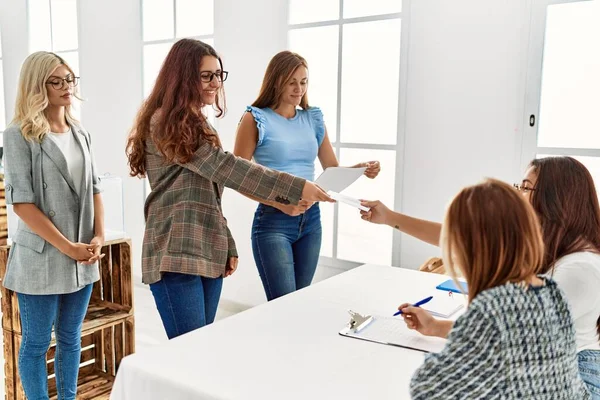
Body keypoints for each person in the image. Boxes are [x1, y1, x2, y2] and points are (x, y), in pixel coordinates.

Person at [126, 39, 333, 340]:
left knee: (203, 344)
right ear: (183, 77)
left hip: (207, 248)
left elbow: (209, 191)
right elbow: (226, 167)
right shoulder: (163, 122)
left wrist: (227, 243)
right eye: (206, 75)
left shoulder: (197, 122)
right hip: (175, 249)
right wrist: (297, 186)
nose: (215, 83)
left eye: (218, 75)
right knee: (190, 350)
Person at [361, 156, 600, 398]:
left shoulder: (579, 270)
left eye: (526, 188)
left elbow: (509, 338)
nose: (518, 195)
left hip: (581, 378)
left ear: (556, 199)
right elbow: (458, 236)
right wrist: (390, 218)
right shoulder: (545, 248)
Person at [233, 51, 380, 301]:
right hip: (274, 222)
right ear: (276, 80)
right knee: (282, 306)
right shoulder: (255, 118)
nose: (298, 88)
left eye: (303, 81)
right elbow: (236, 176)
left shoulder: (312, 118)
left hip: (311, 222)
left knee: (299, 303)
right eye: (292, 81)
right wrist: (279, 202)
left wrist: (361, 168)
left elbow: (331, 168)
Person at [3, 51, 105, 400]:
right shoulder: (18, 135)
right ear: (37, 86)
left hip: (83, 255)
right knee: (35, 342)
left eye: (69, 79)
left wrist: (99, 236)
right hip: (43, 255)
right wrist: (69, 247)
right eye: (55, 81)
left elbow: (94, 188)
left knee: (71, 338)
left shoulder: (80, 132)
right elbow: (22, 204)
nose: (66, 87)